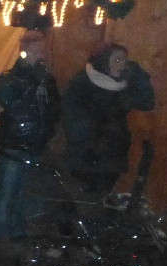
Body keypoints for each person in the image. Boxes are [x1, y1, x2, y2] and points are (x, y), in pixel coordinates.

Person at [0, 31, 61, 244]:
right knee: (6, 187)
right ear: (25, 51)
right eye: (37, 49)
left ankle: (17, 230)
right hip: (15, 141)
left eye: (43, 49)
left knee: (24, 189)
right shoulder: (10, 77)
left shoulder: (47, 79)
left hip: (36, 142)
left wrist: (50, 130)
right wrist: (33, 81)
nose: (42, 53)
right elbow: (13, 105)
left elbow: (54, 107)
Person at [63, 42, 155, 196]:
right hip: (86, 154)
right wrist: (90, 142)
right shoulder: (82, 82)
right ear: (103, 62)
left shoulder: (121, 85)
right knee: (85, 198)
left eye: (124, 61)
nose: (121, 65)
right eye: (116, 60)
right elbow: (71, 117)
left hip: (112, 154)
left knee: (103, 196)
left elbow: (148, 102)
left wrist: (138, 73)